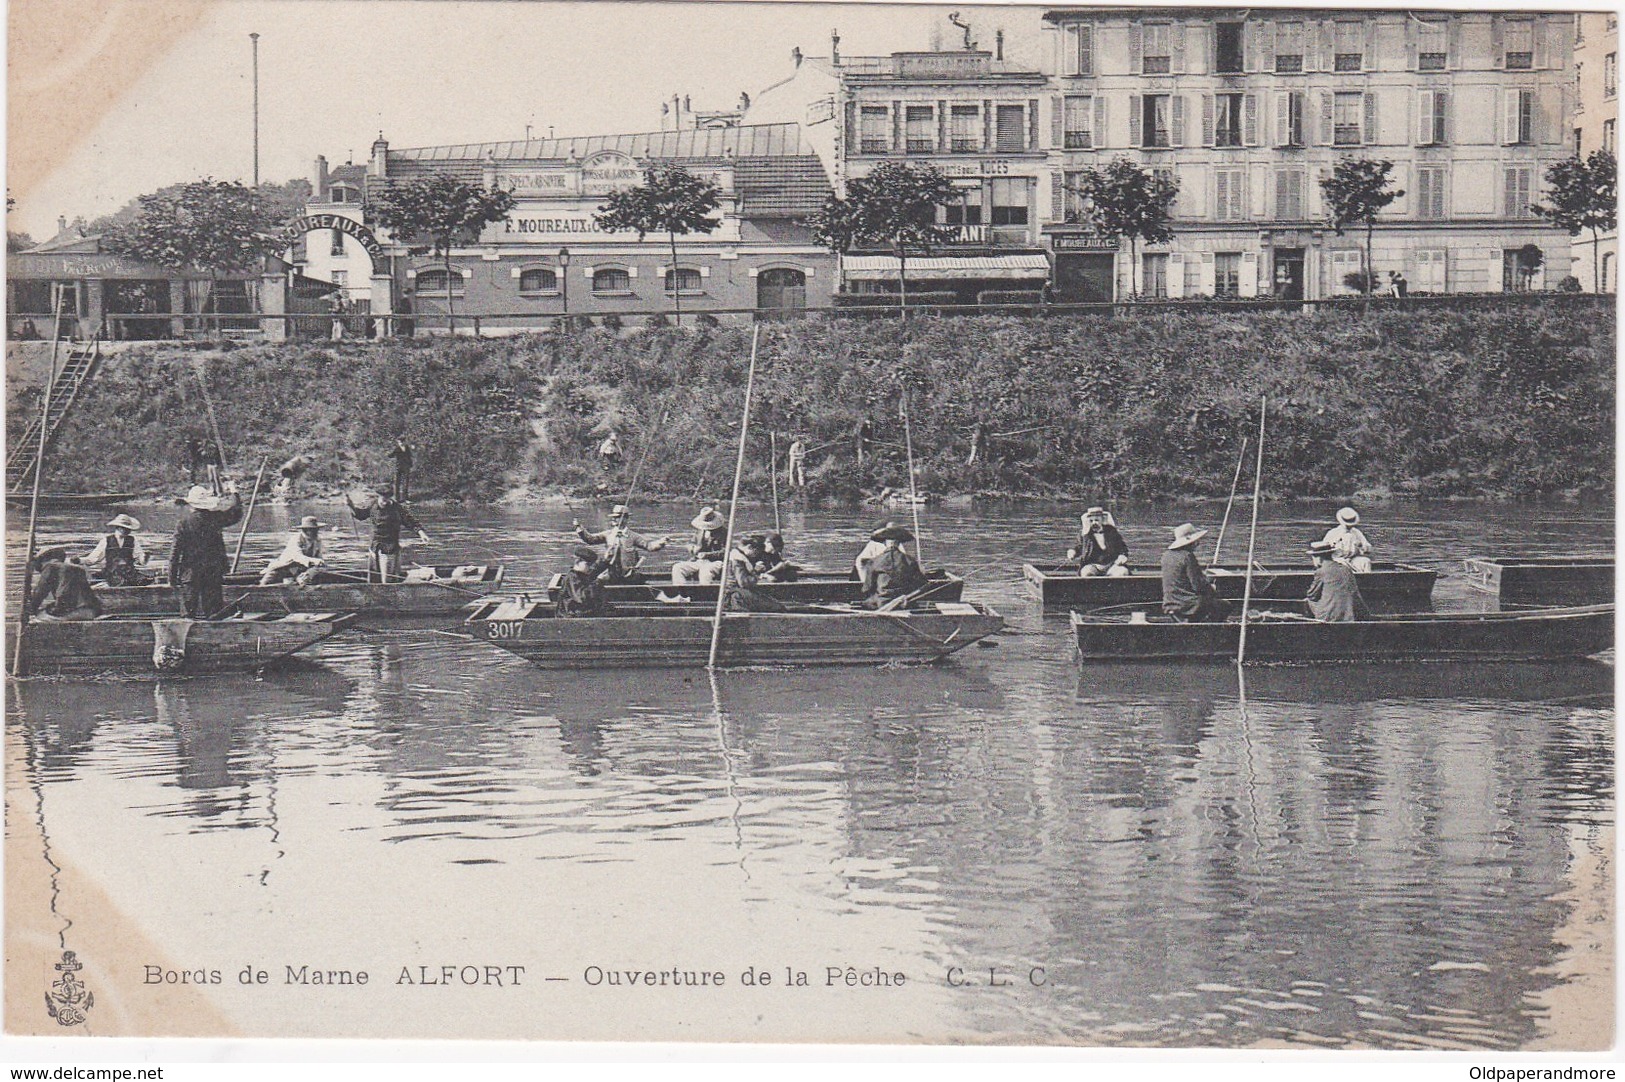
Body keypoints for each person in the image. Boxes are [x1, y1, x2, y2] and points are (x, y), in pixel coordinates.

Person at [169, 482, 244, 618]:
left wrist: (172, 577)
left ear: (191, 504)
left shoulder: (183, 523)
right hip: (213, 571)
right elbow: (236, 512)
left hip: (190, 574)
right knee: (214, 613)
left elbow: (175, 553)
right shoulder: (216, 518)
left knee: (188, 614)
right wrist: (234, 492)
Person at [347, 488, 431, 583]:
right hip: (375, 546)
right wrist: (351, 506)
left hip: (390, 548)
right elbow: (360, 515)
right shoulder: (372, 505)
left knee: (388, 580)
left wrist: (421, 533)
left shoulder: (397, 508)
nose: (384, 503)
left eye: (387, 500)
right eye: (383, 500)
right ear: (379, 497)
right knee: (374, 578)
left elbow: (410, 521)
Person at [574, 504, 669, 584]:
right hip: (610, 574)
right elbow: (590, 539)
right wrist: (579, 528)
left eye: (617, 517)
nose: (614, 519)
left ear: (625, 519)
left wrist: (661, 543)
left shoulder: (633, 536)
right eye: (613, 517)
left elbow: (649, 546)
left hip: (628, 575)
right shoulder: (608, 534)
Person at [1161, 522, 1228, 623]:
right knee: (1225, 605)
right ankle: (1208, 630)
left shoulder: (1166, 555)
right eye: (1196, 541)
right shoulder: (1188, 556)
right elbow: (1198, 586)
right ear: (1191, 542)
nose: (1198, 543)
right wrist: (1212, 589)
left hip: (1169, 603)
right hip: (1187, 604)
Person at [859, 523, 928, 608]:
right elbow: (921, 584)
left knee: (867, 602)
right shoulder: (910, 561)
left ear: (885, 543)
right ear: (899, 543)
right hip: (905, 603)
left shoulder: (874, 561)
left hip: (883, 603)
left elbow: (867, 588)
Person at [27, 547, 102, 620]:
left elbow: (40, 592)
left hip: (73, 612)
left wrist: (31, 611)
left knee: (38, 617)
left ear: (43, 560)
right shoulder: (78, 568)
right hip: (92, 611)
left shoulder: (50, 567)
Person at [1306, 540, 1370, 622]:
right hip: (1350, 614)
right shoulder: (1346, 568)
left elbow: (1311, 595)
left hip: (1330, 616)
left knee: (1308, 600)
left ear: (1318, 558)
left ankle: (1318, 622)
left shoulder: (1321, 571)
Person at [82, 513, 152, 586]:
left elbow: (141, 561)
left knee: (146, 581)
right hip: (111, 573)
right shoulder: (106, 540)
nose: (127, 531)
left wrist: (145, 557)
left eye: (128, 529)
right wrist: (80, 560)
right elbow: (93, 559)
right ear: (118, 527)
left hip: (129, 573)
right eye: (125, 528)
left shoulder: (133, 540)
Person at [722, 535, 788, 613]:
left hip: (740, 592)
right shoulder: (737, 560)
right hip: (737, 593)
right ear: (749, 547)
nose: (756, 555)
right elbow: (743, 582)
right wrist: (757, 573)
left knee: (776, 605)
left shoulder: (740, 556)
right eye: (755, 552)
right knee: (778, 607)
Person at [260, 516, 328, 585]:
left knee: (317, 570)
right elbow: (297, 556)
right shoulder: (296, 539)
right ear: (304, 530)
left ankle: (301, 581)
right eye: (308, 530)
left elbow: (319, 559)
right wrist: (314, 560)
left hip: (300, 570)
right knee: (264, 583)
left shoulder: (317, 540)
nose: (310, 532)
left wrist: (319, 563)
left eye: (314, 530)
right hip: (283, 567)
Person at [1068, 506, 1130, 578]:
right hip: (1092, 565)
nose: (1094, 523)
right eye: (1091, 521)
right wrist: (1073, 552)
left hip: (1112, 565)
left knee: (1122, 572)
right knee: (1086, 573)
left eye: (1096, 520)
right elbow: (1079, 547)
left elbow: (1123, 549)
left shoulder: (1112, 532)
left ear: (1102, 520)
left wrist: (1122, 556)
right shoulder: (1085, 534)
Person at [671, 506, 727, 584]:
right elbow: (692, 542)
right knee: (677, 567)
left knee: (705, 571)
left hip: (716, 562)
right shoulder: (700, 531)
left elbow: (725, 552)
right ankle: (682, 592)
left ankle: (704, 593)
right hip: (699, 561)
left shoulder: (724, 533)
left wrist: (707, 555)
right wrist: (691, 548)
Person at [555, 545, 612, 618]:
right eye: (588, 564)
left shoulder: (582, 574)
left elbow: (596, 569)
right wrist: (599, 581)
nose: (591, 567)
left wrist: (606, 560)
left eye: (592, 564)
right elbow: (581, 598)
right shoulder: (572, 578)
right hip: (573, 616)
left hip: (580, 613)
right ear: (578, 562)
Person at [1321, 507, 1373, 573]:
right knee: (1343, 564)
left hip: (1352, 559)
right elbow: (1323, 550)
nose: (1349, 526)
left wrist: (1362, 546)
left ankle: (1366, 580)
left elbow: (1368, 548)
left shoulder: (1357, 533)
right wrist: (1332, 545)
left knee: (1365, 561)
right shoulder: (1333, 533)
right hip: (1336, 560)